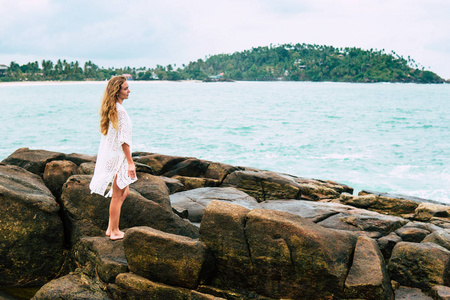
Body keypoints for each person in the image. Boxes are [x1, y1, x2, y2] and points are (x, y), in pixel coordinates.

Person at [89, 75, 137, 240]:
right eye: (125, 88)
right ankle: (114, 231)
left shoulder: (114, 109)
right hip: (119, 158)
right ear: (117, 92)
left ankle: (111, 228)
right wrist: (130, 163)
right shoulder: (120, 111)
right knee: (117, 195)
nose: (129, 91)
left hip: (114, 156)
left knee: (125, 192)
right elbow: (124, 140)